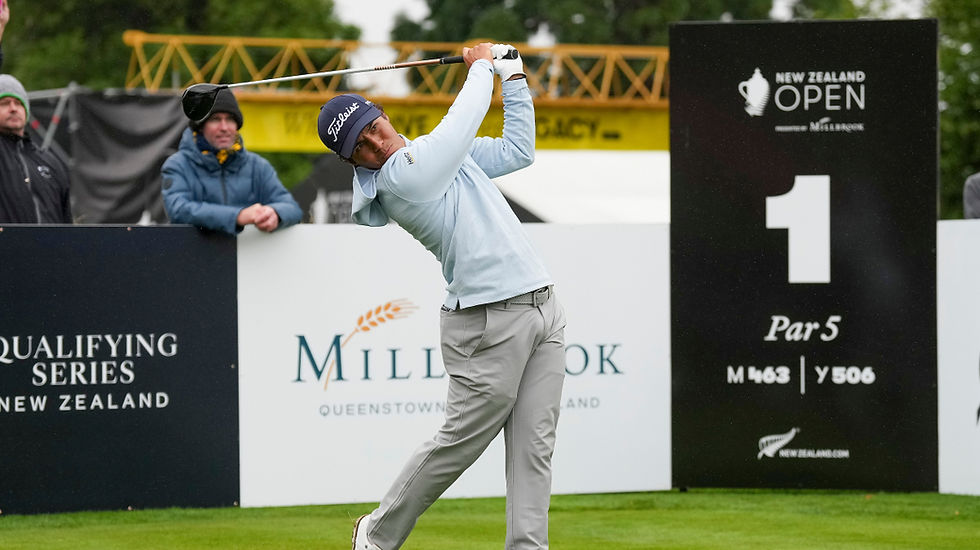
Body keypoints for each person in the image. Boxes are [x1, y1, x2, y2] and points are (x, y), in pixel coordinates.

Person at [318, 43, 566, 550]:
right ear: (352, 162)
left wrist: (513, 79)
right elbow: (460, 123)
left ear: (383, 115)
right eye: (359, 146)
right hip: (486, 323)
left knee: (533, 450)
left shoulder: (439, 155)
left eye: (373, 127)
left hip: (544, 309)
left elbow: (518, 150)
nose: (374, 143)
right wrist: (481, 67)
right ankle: (378, 533)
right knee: (458, 444)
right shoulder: (401, 177)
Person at [161, 88, 301, 234]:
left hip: (248, 255)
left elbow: (292, 208)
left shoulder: (258, 166)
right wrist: (239, 216)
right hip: (193, 255)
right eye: (215, 119)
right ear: (200, 127)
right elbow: (178, 210)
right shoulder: (177, 165)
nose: (224, 127)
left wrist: (275, 214)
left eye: (230, 119)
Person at [0, 0, 73, 224]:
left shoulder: (51, 162)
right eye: (4, 103)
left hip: (50, 259)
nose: (13, 108)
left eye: (19, 103)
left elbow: (67, 228)